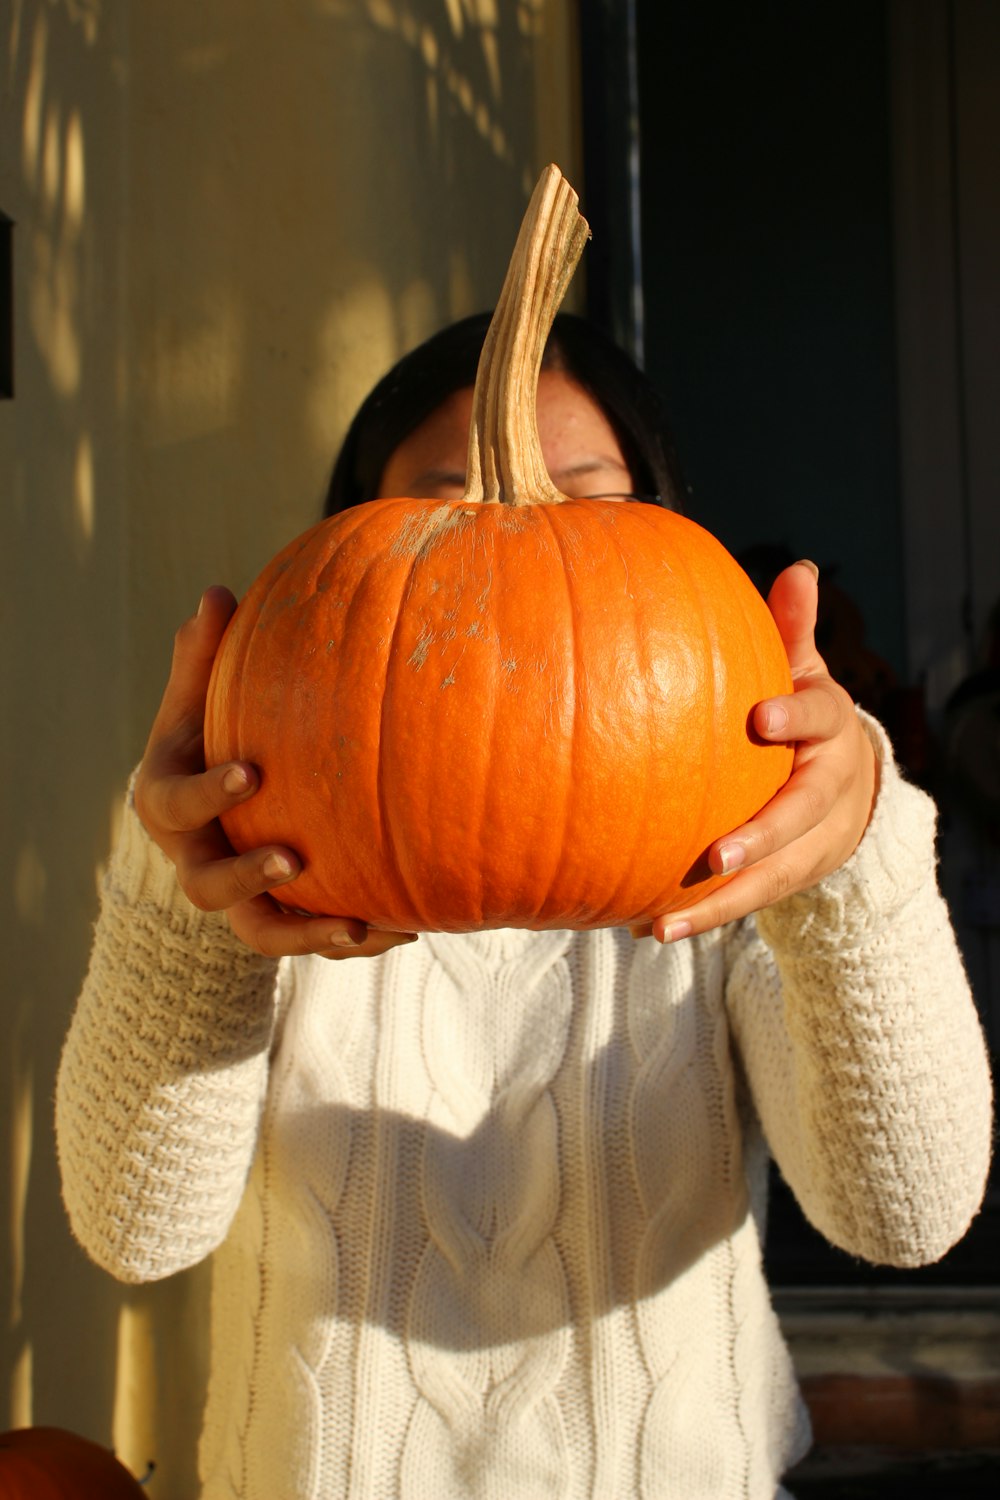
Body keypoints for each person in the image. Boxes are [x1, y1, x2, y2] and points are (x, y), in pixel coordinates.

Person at [56, 312, 993, 1500]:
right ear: (358, 550)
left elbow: (902, 1213)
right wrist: (182, 897)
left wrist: (849, 856)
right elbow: (134, 1227)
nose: (518, 543)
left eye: (585, 499)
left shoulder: (734, 855)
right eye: (451, 501)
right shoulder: (258, 855)